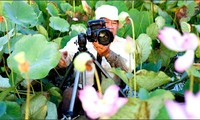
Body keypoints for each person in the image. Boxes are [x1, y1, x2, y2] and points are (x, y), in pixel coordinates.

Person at [57, 4, 134, 118]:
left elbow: (129, 69)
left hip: (110, 93)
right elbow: (64, 56)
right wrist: (60, 59)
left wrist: (109, 54)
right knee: (69, 94)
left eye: (114, 23)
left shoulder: (123, 44)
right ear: (96, 24)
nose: (111, 27)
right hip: (83, 91)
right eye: (106, 22)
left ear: (118, 25)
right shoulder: (81, 41)